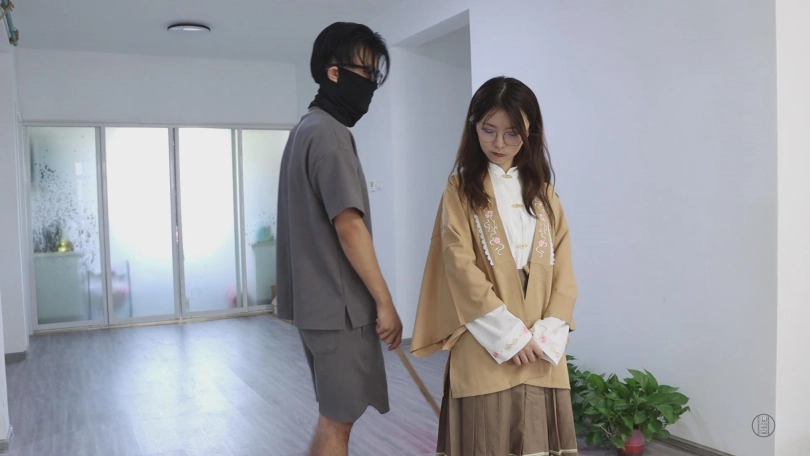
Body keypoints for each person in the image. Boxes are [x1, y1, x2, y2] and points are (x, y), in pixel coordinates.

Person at [411, 76, 579, 456]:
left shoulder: (545, 194)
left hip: (540, 344)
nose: (499, 143)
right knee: (485, 440)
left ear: (530, 133)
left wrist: (547, 332)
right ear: (474, 127)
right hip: (486, 338)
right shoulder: (459, 190)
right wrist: (510, 337)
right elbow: (458, 264)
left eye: (512, 133)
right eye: (488, 130)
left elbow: (564, 269)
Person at [276, 21, 403, 456]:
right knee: (338, 421)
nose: (370, 86)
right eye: (365, 74)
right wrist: (385, 302)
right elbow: (349, 226)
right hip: (338, 310)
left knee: (334, 415)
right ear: (334, 73)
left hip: (319, 307)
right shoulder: (329, 135)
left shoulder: (305, 129)